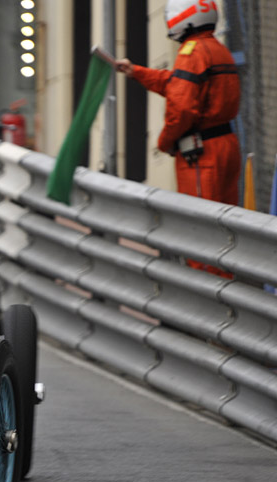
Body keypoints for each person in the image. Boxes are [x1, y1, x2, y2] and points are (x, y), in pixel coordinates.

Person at [116, 0, 239, 276]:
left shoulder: (191, 52)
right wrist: (137, 72)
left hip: (201, 154)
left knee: (201, 230)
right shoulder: (218, 49)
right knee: (226, 228)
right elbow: (177, 83)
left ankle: (205, 302)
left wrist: (165, 141)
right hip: (225, 145)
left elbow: (182, 106)